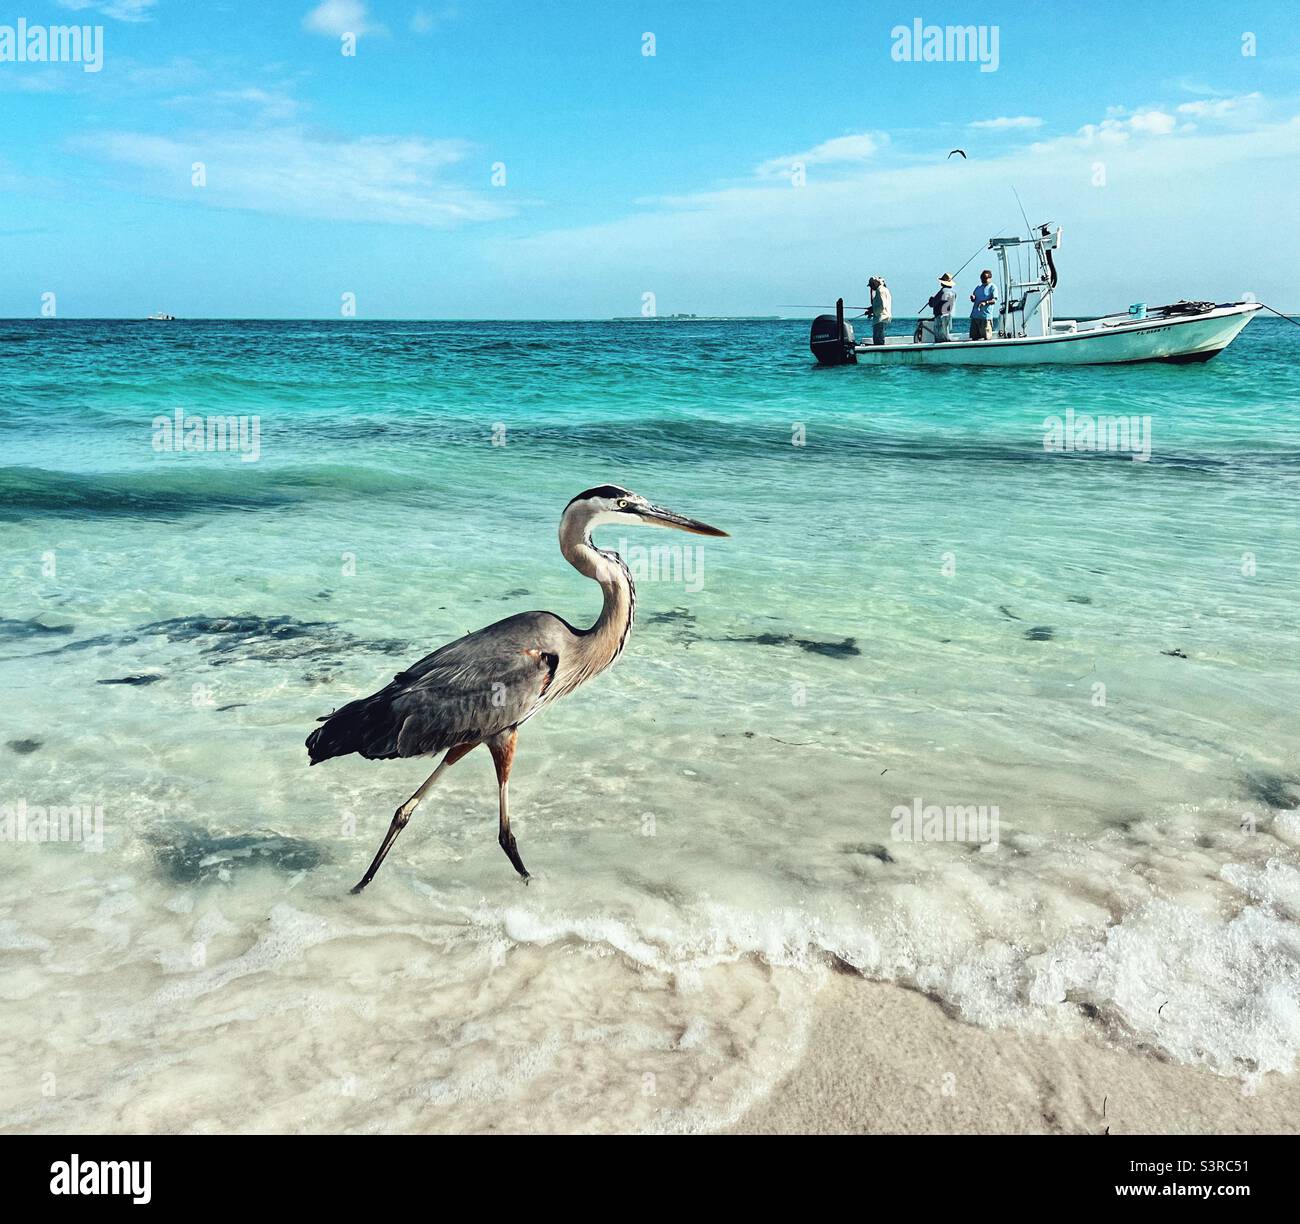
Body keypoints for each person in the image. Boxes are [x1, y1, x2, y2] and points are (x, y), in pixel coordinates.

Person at [969, 269, 998, 340]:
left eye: (985, 278)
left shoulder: (992, 287)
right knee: (974, 337)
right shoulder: (978, 287)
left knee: (986, 338)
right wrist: (973, 297)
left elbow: (994, 300)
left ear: (990, 278)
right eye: (982, 278)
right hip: (975, 317)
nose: (983, 279)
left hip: (985, 317)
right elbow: (974, 299)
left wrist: (986, 303)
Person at [927, 272, 956, 342]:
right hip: (949, 316)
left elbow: (932, 304)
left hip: (940, 317)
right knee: (946, 335)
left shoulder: (942, 291)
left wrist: (931, 300)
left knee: (940, 337)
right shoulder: (953, 293)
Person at [868, 275, 891, 345]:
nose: (871, 287)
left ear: (875, 283)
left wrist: (872, 310)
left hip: (881, 318)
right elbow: (877, 304)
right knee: (878, 338)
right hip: (881, 318)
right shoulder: (882, 290)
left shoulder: (881, 291)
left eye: (871, 285)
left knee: (878, 339)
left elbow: (882, 305)